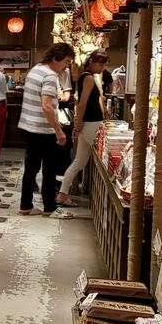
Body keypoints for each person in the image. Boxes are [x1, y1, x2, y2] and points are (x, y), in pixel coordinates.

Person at [18, 43, 75, 217]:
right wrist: (59, 131)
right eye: (66, 62)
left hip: (28, 126)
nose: (66, 66)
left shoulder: (35, 69)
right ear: (56, 58)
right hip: (43, 129)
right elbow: (47, 106)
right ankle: (49, 208)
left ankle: (25, 205)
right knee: (50, 169)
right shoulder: (50, 76)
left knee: (31, 168)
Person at [57, 49, 109, 211]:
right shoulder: (87, 78)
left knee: (79, 162)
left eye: (103, 64)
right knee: (92, 162)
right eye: (100, 64)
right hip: (91, 123)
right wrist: (78, 125)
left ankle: (63, 194)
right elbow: (82, 103)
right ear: (91, 62)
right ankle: (64, 194)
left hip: (89, 122)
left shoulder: (86, 76)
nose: (102, 68)